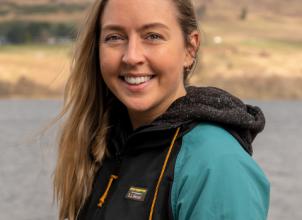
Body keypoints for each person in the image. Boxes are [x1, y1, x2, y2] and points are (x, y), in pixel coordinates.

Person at [53, 0, 270, 219]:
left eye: (153, 36)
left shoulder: (216, 164)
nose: (131, 56)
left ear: (190, 48)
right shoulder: (104, 147)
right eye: (115, 37)